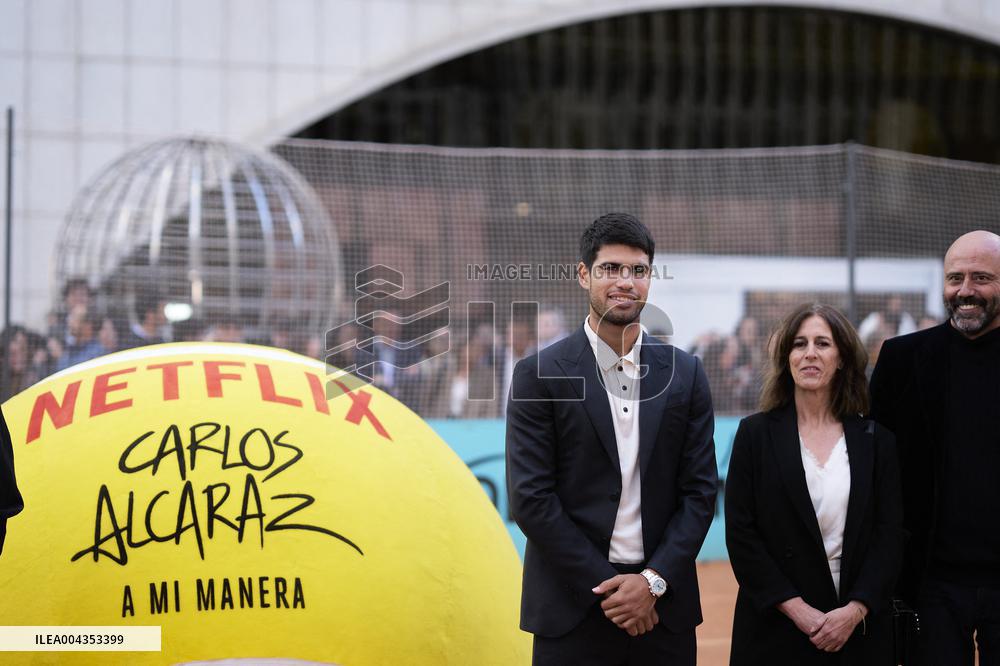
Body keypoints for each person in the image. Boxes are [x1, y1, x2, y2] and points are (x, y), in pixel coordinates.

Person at [506, 212, 718, 665]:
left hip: (664, 608)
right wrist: (612, 590)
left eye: (638, 271)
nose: (626, 282)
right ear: (584, 275)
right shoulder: (538, 374)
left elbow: (700, 492)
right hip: (572, 609)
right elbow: (531, 498)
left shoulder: (686, 373)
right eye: (611, 269)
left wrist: (652, 582)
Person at [726, 303, 903, 665]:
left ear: (841, 358)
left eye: (822, 343)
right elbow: (742, 536)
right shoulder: (754, 435)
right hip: (776, 627)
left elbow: (890, 534)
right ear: (786, 357)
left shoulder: (877, 440)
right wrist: (797, 610)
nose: (809, 353)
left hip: (857, 627)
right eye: (798, 343)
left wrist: (855, 609)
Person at [869, 230, 1000, 666]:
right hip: (931, 585)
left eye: (981, 278)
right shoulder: (902, 359)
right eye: (954, 278)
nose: (965, 291)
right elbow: (876, 471)